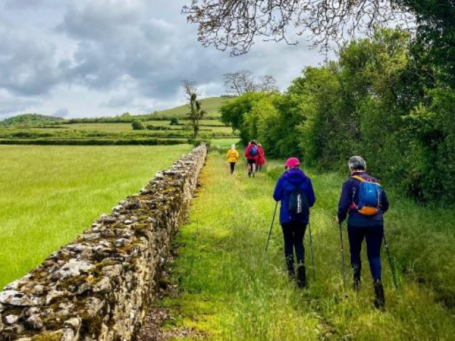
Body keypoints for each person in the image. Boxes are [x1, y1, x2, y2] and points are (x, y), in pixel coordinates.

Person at [336, 156, 389, 308]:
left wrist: (340, 218)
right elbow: (385, 204)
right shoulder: (376, 182)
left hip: (355, 223)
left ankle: (356, 282)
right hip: (376, 223)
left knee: (355, 252)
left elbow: (343, 205)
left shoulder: (349, 183)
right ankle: (377, 284)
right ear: (364, 167)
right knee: (374, 255)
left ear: (351, 168)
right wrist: (377, 215)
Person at [273, 157, 316, 288]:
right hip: (302, 217)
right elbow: (312, 201)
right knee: (299, 242)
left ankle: (291, 272)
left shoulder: (283, 179)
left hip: (286, 217)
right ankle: (301, 264)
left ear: (287, 166)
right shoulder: (306, 180)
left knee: (288, 242)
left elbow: (276, 196)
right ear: (299, 166)